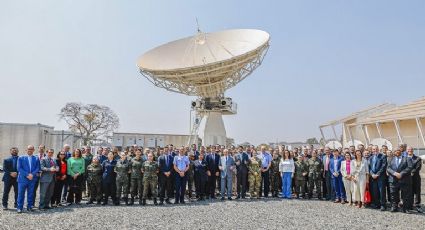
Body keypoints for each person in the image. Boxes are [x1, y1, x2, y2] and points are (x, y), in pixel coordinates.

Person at [387, 149, 413, 213]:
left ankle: (405, 208)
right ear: (394, 152)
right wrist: (394, 173)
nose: (397, 152)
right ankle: (394, 207)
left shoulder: (407, 158)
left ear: (401, 152)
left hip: (404, 179)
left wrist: (401, 174)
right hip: (393, 179)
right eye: (395, 151)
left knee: (405, 195)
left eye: (398, 151)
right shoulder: (390, 159)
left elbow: (410, 167)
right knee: (393, 194)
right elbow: (388, 168)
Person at [16, 145, 40, 213]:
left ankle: (29, 207)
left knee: (31, 193)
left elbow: (38, 168)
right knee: (21, 194)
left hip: (32, 179)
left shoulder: (36, 158)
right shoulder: (21, 158)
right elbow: (19, 168)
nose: (30, 150)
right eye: (29, 149)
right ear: (26, 150)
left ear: (33, 150)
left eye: (31, 149)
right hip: (22, 179)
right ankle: (19, 207)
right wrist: (27, 175)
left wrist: (32, 174)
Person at [368, 145, 387, 211]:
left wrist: (377, 174)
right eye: (373, 149)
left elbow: (383, 166)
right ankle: (377, 204)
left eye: (376, 149)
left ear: (378, 149)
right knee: (375, 191)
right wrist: (372, 174)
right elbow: (369, 167)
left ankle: (383, 205)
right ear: (372, 150)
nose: (375, 150)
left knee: (381, 191)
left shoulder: (383, 156)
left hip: (380, 177)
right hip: (373, 177)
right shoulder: (370, 157)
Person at [406, 146, 422, 213]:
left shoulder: (418, 158)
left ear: (413, 150)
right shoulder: (404, 158)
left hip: (415, 178)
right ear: (407, 151)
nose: (410, 151)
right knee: (409, 192)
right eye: (409, 150)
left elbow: (418, 168)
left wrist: (411, 173)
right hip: (407, 178)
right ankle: (410, 205)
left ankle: (417, 205)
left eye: (411, 150)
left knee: (417, 192)